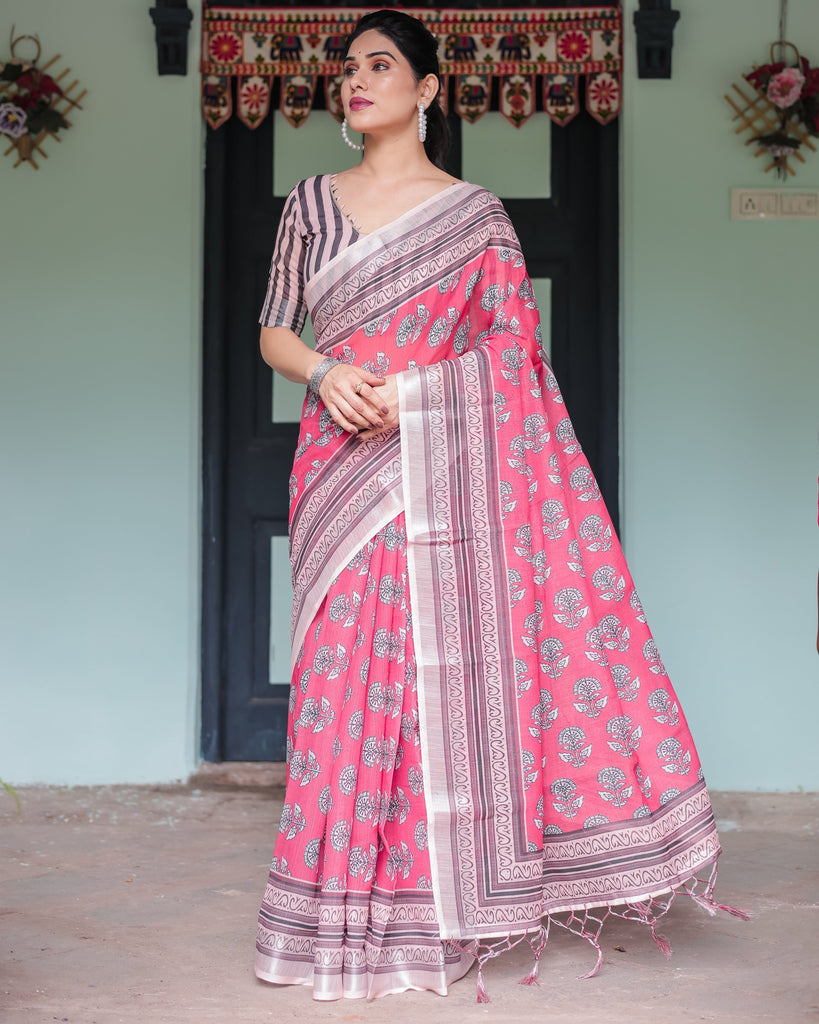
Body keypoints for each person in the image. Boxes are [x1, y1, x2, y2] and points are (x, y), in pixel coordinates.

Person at [254, 9, 743, 1003]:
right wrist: (328, 369)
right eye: (349, 68)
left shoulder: (475, 217)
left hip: (436, 472)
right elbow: (273, 329)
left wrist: (420, 395)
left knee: (433, 691)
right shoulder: (310, 202)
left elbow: (513, 352)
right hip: (339, 473)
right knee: (341, 686)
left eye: (381, 66)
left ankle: (430, 913)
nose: (357, 81)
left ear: (429, 90)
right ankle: (328, 913)